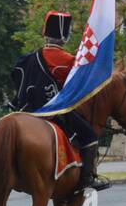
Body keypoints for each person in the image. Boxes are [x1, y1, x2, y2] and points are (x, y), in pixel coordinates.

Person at [9, 10, 109, 191]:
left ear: (46, 33)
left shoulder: (27, 58)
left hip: (25, 109)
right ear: (64, 36)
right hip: (53, 112)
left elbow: (16, 78)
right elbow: (79, 86)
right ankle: (87, 179)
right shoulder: (68, 60)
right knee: (89, 136)